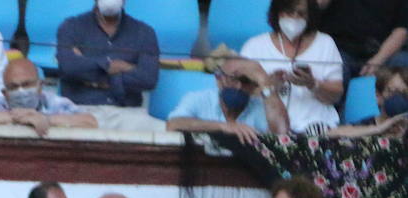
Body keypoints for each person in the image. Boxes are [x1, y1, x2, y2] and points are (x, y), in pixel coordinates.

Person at [56, 0, 163, 130]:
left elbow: (148, 79)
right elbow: (70, 68)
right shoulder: (71, 26)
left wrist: (91, 73)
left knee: (167, 134)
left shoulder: (144, 32)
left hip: (128, 113)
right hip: (80, 110)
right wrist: (114, 66)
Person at [240, 0, 344, 133]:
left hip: (316, 126)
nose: (295, 18)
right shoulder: (254, 46)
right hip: (267, 127)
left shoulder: (325, 43)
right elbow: (240, 93)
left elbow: (336, 95)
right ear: (277, 13)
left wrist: (312, 84)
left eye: (301, 14)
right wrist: (268, 87)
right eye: (289, 12)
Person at [166, 54, 292, 144]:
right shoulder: (199, 99)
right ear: (219, 78)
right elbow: (174, 124)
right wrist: (224, 127)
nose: (239, 86)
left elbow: (282, 134)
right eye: (233, 79)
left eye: (246, 81)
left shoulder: (260, 107)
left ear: (255, 86)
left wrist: (264, 81)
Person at [0, 58, 100, 136]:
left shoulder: (54, 102)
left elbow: (90, 122)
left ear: (40, 86)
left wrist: (46, 119)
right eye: (13, 87)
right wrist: (19, 117)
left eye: (26, 84)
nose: (21, 90)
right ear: (5, 93)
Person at [314, 0, 408, 90]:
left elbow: (402, 31)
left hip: (379, 53)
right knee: (337, 71)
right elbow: (313, 7)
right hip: (339, 47)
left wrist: (377, 61)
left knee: (402, 63)